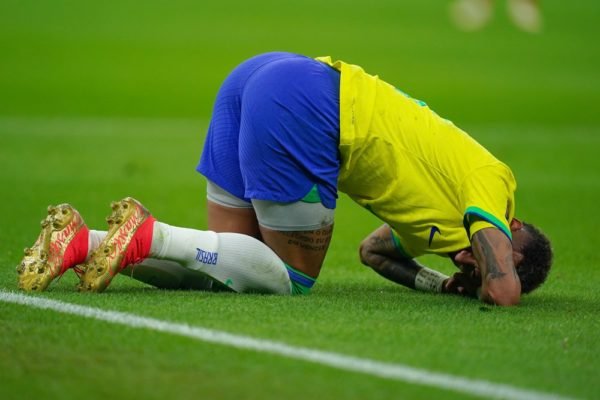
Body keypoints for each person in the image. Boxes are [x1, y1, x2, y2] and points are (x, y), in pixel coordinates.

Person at [17, 52, 553, 305]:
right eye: (503, 248)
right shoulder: (493, 183)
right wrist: (491, 276)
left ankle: (82, 244)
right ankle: (148, 233)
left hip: (264, 78)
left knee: (225, 269)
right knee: (288, 279)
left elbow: (374, 253)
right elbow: (504, 290)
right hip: (311, 107)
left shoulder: (441, 233)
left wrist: (441, 282)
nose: (474, 257)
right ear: (512, 227)